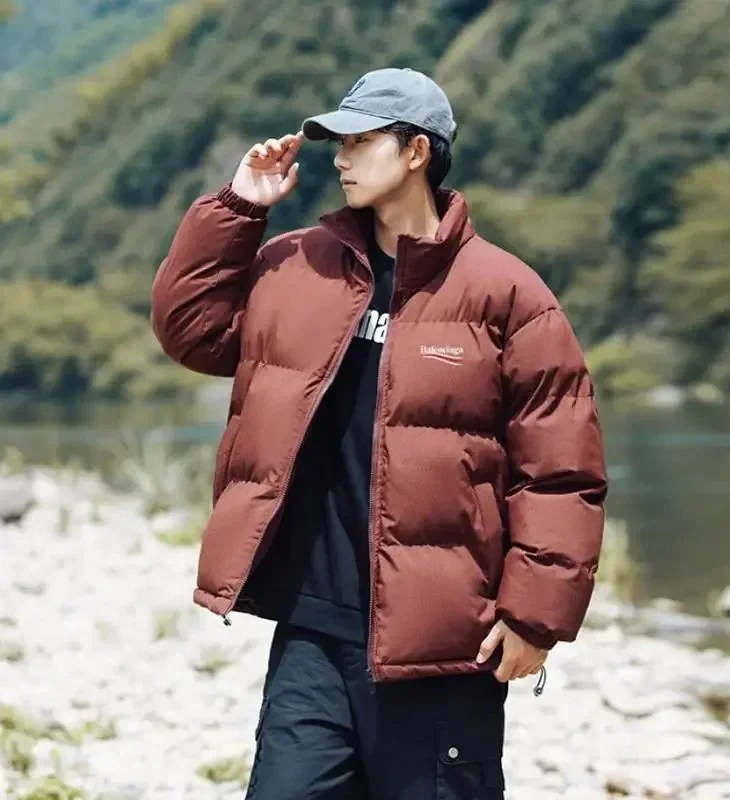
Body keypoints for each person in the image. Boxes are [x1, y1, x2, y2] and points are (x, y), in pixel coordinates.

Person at [151, 66, 607, 800]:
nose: (340, 158)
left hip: (441, 643)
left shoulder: (508, 295)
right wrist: (238, 208)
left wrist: (535, 618)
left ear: (417, 151)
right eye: (338, 142)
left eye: (360, 141)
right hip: (313, 630)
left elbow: (560, 471)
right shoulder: (298, 267)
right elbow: (192, 331)